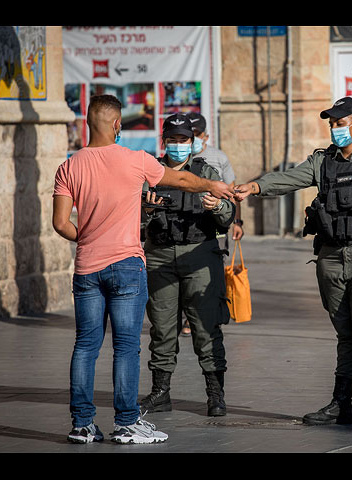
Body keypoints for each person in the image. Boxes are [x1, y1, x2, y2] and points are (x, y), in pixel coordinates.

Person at [234, 97, 352, 431]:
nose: (335, 128)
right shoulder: (323, 162)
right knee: (345, 333)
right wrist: (255, 186)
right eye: (331, 123)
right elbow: (290, 178)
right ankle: (342, 405)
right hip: (332, 258)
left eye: (340, 122)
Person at [52, 95, 233, 444]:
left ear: (88, 123)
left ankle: (82, 424)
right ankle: (126, 422)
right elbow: (180, 181)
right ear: (118, 125)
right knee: (127, 346)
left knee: (85, 345)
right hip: (127, 265)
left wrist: (89, 238)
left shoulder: (69, 166)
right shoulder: (136, 161)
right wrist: (213, 186)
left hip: (88, 266)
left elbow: (61, 224)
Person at [139, 113, 235, 418]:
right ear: (164, 141)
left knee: (207, 327)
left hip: (200, 255)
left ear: (192, 142)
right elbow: (133, 218)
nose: (178, 145)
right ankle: (161, 392)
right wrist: (146, 210)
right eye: (173, 140)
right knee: (162, 327)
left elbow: (228, 215)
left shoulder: (206, 171)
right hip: (160, 255)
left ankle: (215, 394)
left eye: (184, 140)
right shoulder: (150, 171)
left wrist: (218, 206)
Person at [180, 112, 244, 336]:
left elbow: (234, 191)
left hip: (216, 222)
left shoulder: (218, 157)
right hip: (188, 222)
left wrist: (237, 222)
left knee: (212, 267)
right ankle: (188, 318)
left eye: (198, 135)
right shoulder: (179, 159)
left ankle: (213, 310)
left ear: (206, 136)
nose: (195, 139)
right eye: (191, 135)